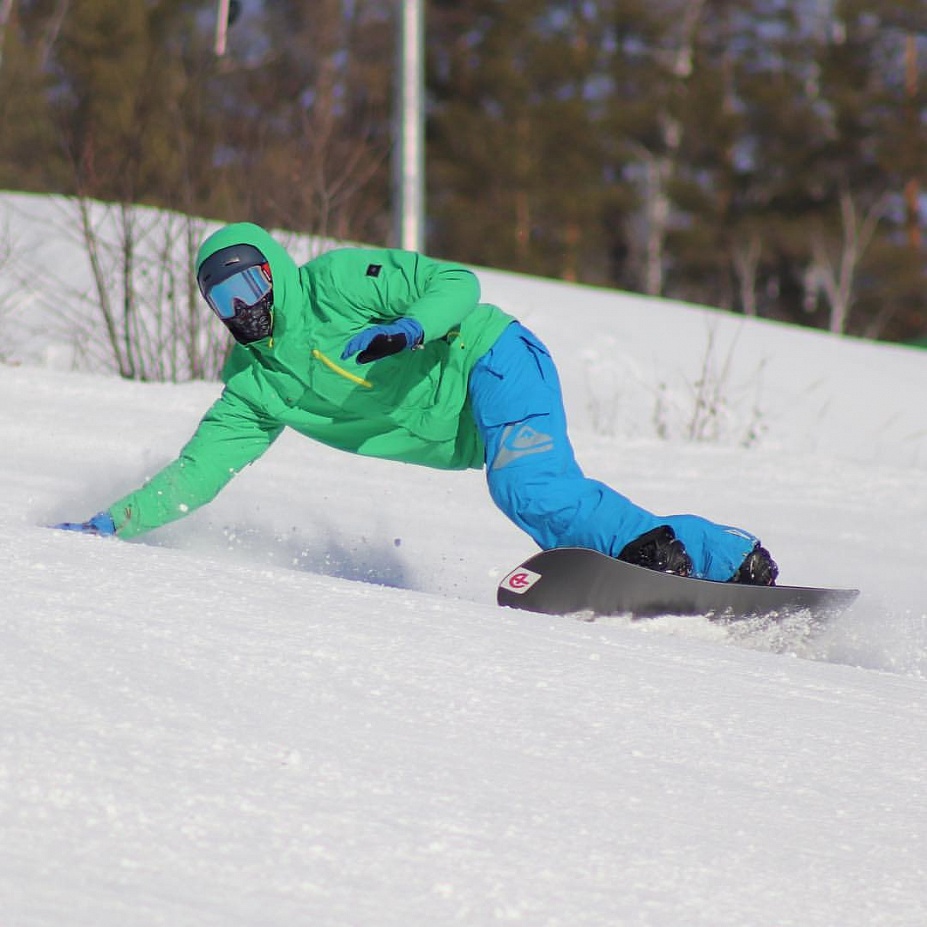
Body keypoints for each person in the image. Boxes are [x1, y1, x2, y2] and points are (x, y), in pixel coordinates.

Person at [55, 222, 778, 586]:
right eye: (223, 299)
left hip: (488, 358)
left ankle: (648, 556)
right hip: (474, 424)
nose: (243, 309)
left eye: (249, 285)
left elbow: (458, 283)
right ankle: (734, 557)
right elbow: (197, 474)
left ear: (273, 271)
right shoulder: (254, 385)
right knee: (541, 489)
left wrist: (409, 328)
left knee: (526, 488)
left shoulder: (336, 282)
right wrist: (109, 525)